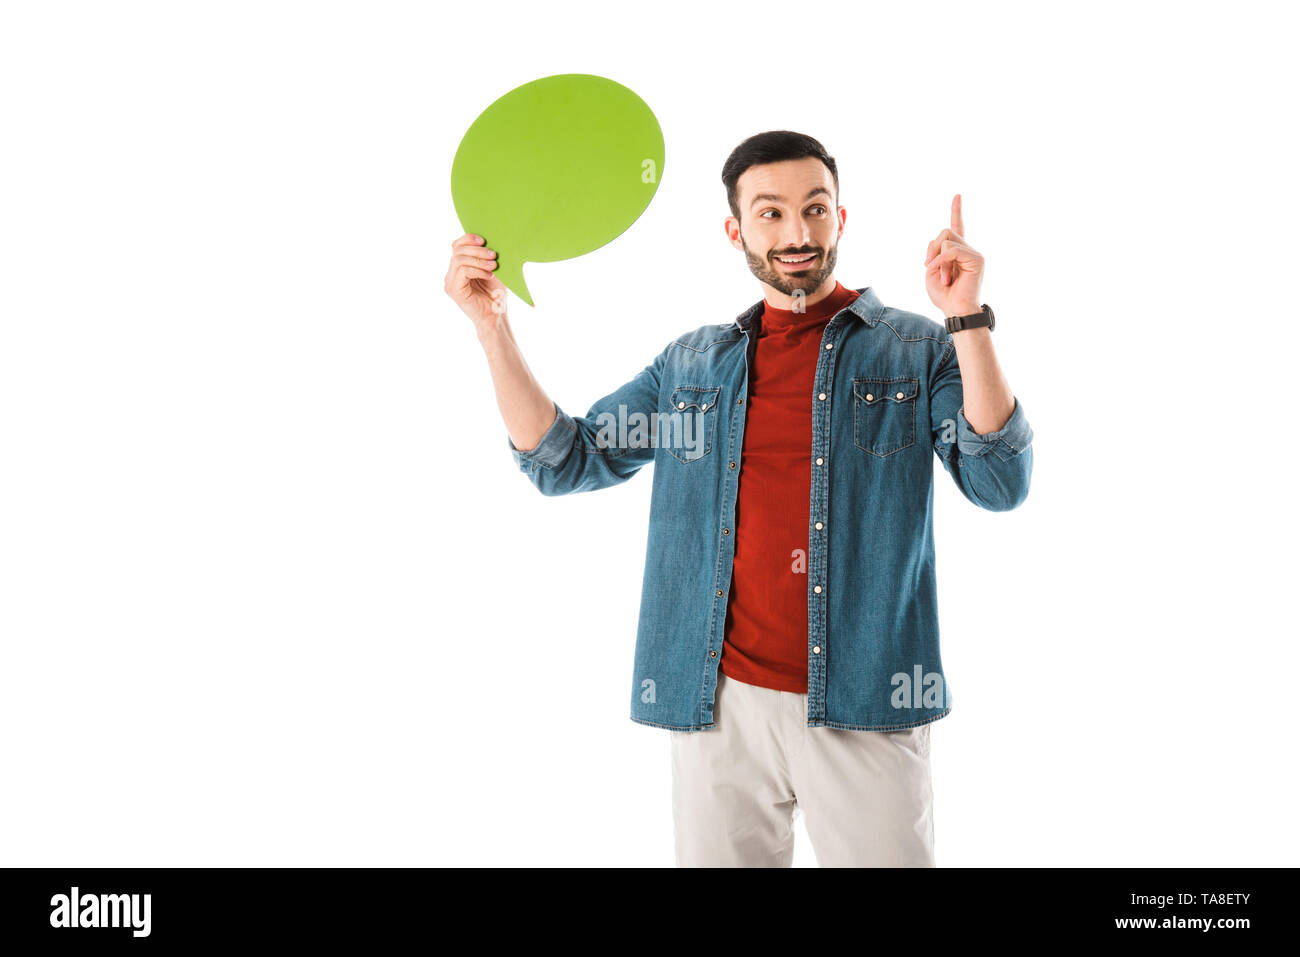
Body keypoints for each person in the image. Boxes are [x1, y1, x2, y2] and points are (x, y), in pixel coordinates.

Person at [444, 130, 1034, 867]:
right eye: (772, 213)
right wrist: (491, 326)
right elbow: (564, 459)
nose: (797, 233)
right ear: (736, 230)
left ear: (841, 219)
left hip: (867, 698)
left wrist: (966, 317)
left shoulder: (916, 348)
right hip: (718, 705)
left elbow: (999, 480)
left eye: (816, 210)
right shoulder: (692, 364)